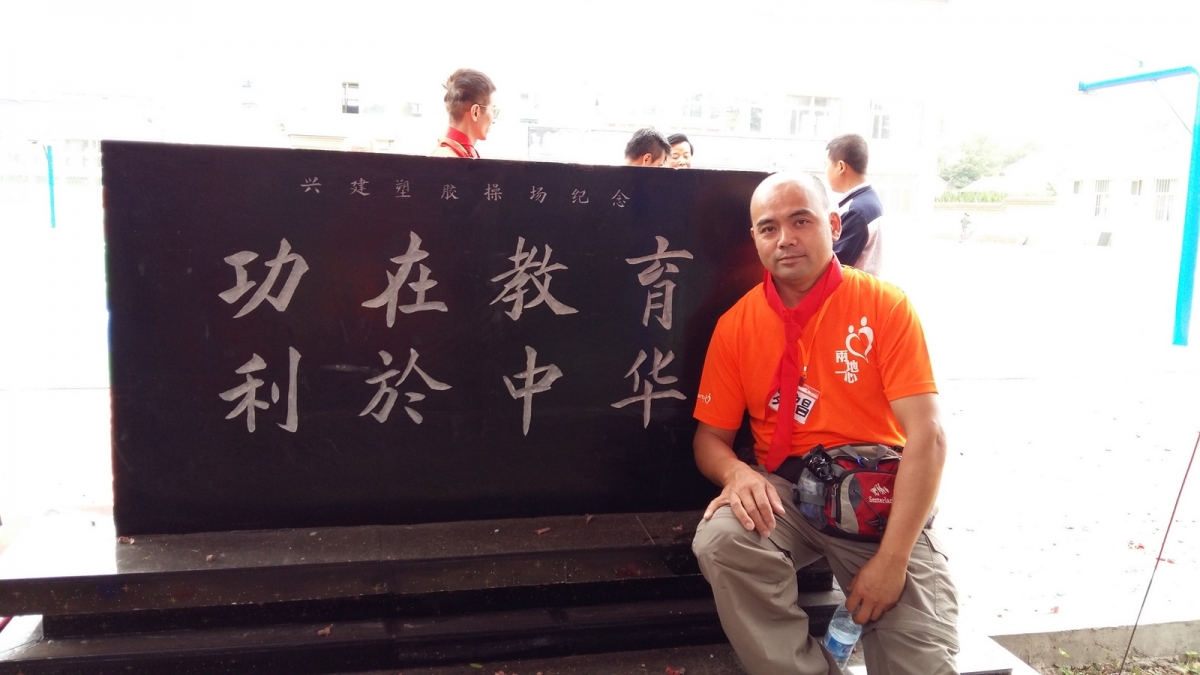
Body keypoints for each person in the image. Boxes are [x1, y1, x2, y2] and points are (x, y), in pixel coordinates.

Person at [690, 172, 959, 675]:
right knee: (722, 539)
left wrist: (893, 560)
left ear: (834, 225)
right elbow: (710, 438)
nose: (785, 239)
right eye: (769, 228)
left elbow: (930, 435)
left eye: (801, 221)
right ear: (755, 240)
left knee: (919, 662)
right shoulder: (736, 325)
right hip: (787, 494)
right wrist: (737, 474)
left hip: (876, 497)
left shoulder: (884, 306)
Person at [825, 134, 883, 275]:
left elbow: (833, 266)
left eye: (826, 165)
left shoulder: (856, 211)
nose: (825, 171)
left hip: (854, 287)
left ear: (841, 167)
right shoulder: (867, 201)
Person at [432, 69, 497, 159]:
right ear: (475, 112)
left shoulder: (446, 154)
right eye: (493, 110)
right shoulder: (451, 160)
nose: (493, 120)